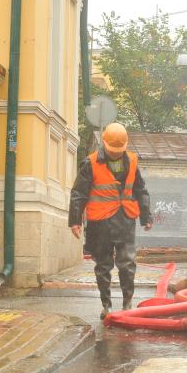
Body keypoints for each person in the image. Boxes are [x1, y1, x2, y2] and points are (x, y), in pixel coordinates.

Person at [69, 123, 153, 319]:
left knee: (127, 263)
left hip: (125, 219)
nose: (115, 154)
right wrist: (75, 221)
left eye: (118, 150)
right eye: (111, 150)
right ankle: (106, 306)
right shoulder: (90, 163)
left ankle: (127, 304)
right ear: (104, 144)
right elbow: (78, 193)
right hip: (100, 223)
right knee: (103, 266)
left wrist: (146, 216)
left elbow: (141, 190)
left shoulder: (132, 161)